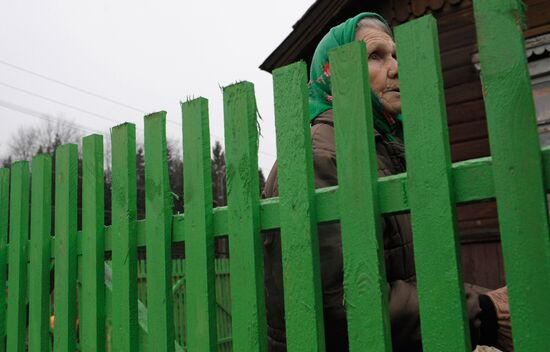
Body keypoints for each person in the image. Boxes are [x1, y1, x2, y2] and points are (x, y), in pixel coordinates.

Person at [262, 12, 512, 352]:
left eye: (395, 55)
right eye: (375, 56)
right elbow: (340, 306)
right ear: (332, 74)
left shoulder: (389, 144)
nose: (395, 67)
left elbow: (411, 275)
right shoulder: (320, 156)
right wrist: (480, 313)